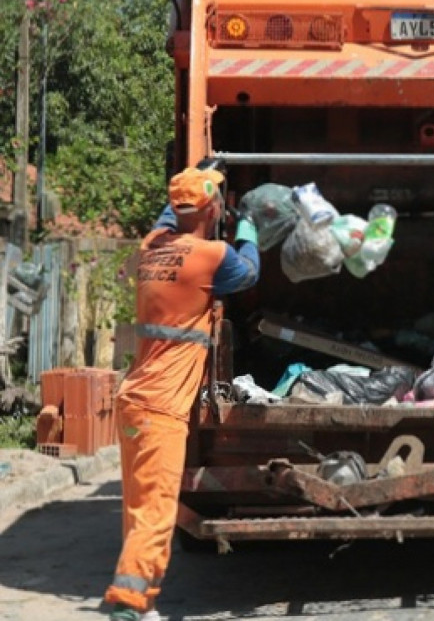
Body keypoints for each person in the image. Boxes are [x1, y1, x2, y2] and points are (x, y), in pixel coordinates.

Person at [104, 166, 260, 621]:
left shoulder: (151, 249)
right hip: (163, 407)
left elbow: (166, 221)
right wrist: (248, 229)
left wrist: (199, 176)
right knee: (156, 510)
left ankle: (145, 600)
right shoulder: (212, 256)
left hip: (133, 397)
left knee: (139, 505)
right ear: (213, 207)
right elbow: (248, 274)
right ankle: (128, 603)